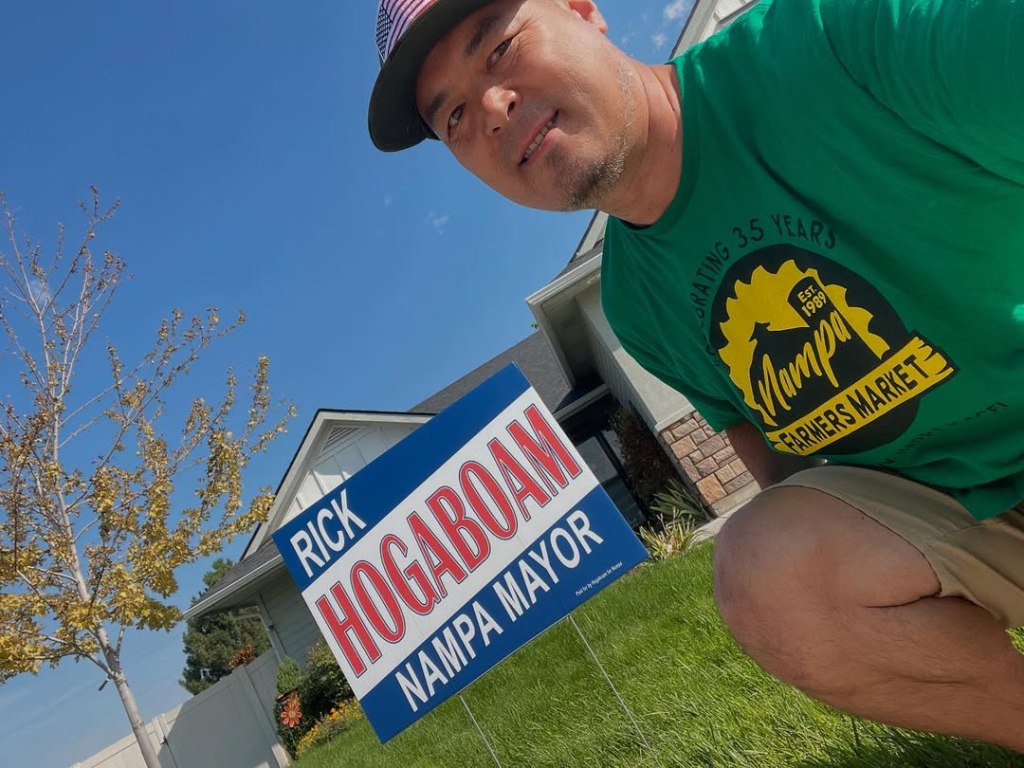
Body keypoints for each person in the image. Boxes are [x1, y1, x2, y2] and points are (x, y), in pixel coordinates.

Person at [367, 0, 1024, 752]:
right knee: (768, 578)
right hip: (976, 520)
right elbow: (786, 472)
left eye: (501, 47)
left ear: (584, 10)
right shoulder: (638, 304)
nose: (489, 108)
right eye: (450, 117)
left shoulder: (836, 41)